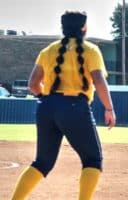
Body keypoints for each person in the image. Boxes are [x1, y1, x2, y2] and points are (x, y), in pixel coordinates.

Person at [11, 11, 116, 200]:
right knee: (92, 160)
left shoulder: (49, 50)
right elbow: (99, 81)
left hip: (46, 106)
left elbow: (33, 84)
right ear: (83, 27)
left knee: (42, 162)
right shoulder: (90, 50)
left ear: (63, 27)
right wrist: (109, 108)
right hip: (75, 106)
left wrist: (50, 100)